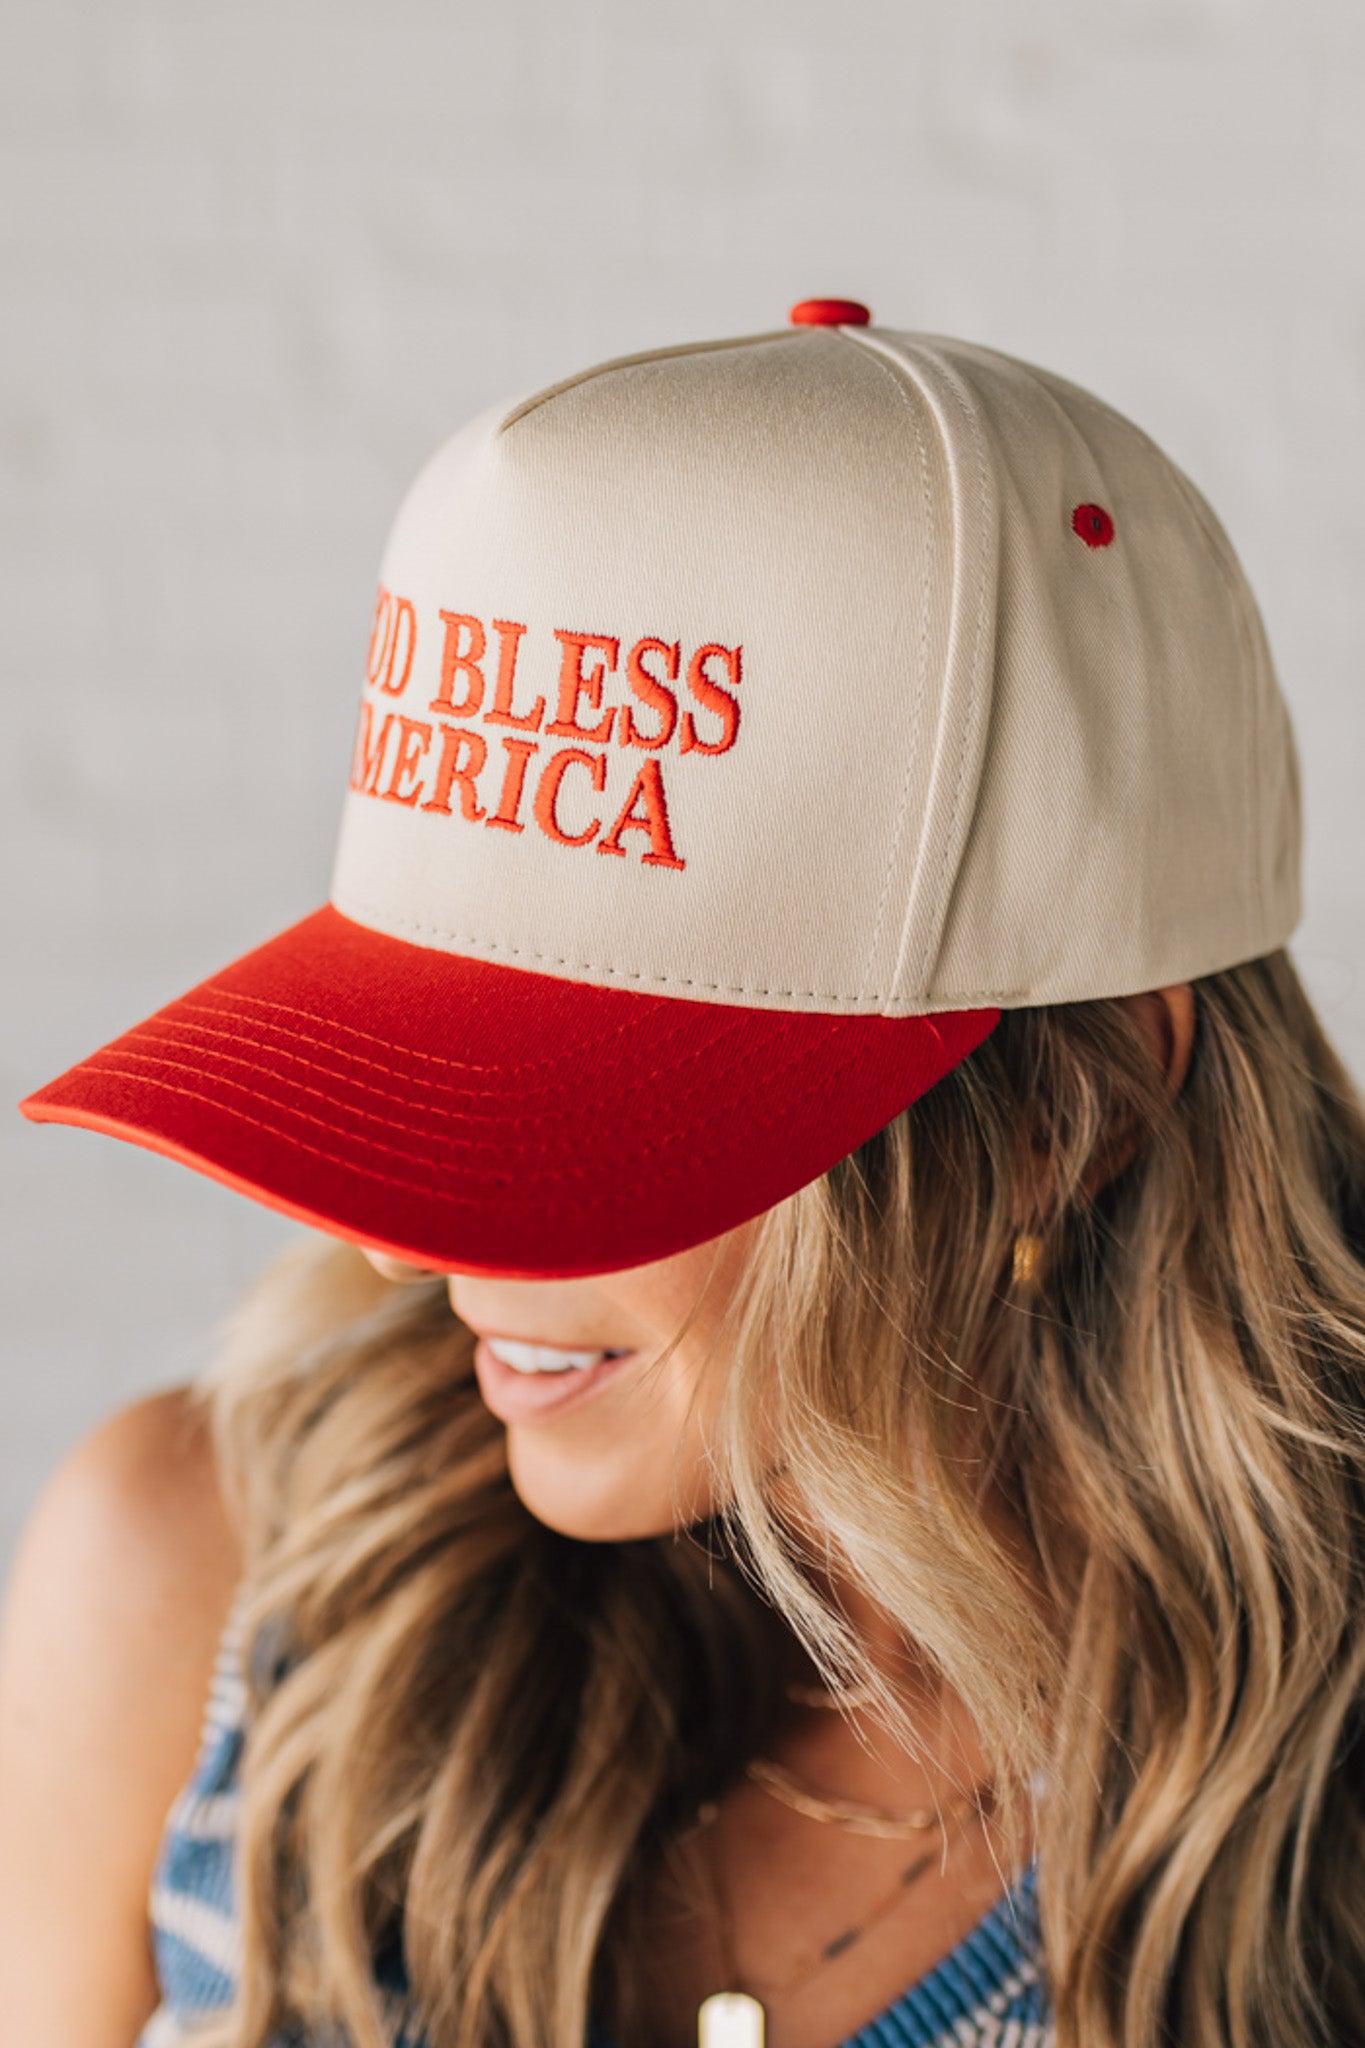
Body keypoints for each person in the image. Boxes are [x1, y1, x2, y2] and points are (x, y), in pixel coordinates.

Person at [3, 301, 1362, 2048]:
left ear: (1063, 1126)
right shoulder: (206, 1579)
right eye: (415, 1073)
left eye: (582, 1127)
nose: (422, 1255)